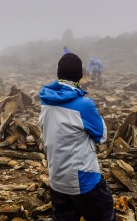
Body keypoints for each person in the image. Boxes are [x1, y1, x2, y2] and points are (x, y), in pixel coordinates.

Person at [39, 52, 114, 221]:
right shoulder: (83, 105)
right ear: (80, 75)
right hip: (84, 178)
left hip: (56, 178)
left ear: (58, 73)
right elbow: (102, 136)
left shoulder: (46, 101)